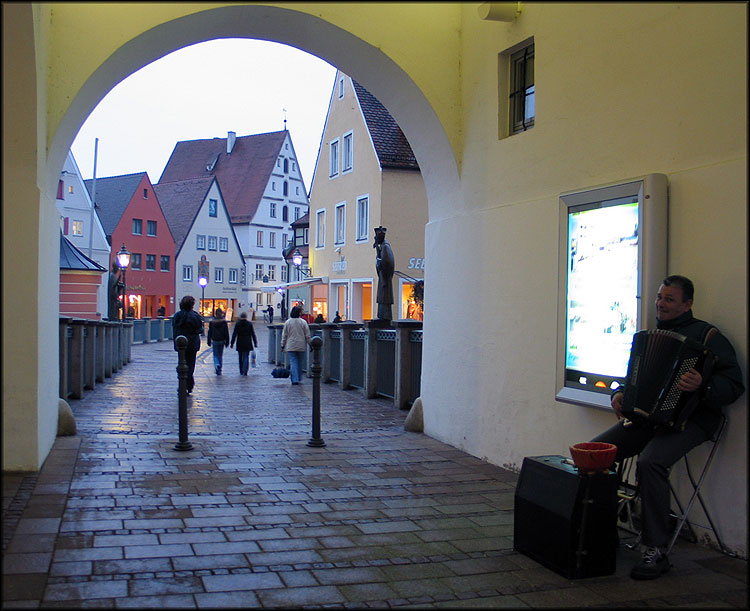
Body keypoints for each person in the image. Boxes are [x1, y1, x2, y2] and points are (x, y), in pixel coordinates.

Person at [592, 275, 744, 580]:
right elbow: (632, 378)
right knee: (597, 453)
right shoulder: (649, 335)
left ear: (688, 304)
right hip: (650, 419)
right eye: (660, 297)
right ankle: (596, 531)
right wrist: (619, 394)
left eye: (669, 299)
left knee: (650, 462)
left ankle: (656, 550)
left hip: (694, 420)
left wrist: (704, 385)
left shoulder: (709, 336)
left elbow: (734, 384)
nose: (661, 304)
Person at [172, 295, 203, 394]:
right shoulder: (195, 316)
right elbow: (199, 330)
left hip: (180, 344)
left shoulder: (177, 316)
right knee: (190, 365)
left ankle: (182, 385)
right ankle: (188, 385)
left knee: (181, 363)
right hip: (192, 344)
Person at [281, 305, 311, 385]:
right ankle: (298, 377)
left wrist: (282, 345)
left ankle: (295, 379)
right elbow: (307, 335)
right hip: (301, 345)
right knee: (300, 362)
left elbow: (284, 335)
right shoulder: (303, 322)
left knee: (293, 361)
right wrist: (310, 344)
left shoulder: (288, 322)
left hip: (291, 345)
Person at [374, 226, 394, 321]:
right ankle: (382, 316)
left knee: (384, 298)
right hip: (383, 278)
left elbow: (387, 263)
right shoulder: (382, 247)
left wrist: (380, 263)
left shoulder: (385, 247)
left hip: (385, 279)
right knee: (382, 298)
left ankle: (384, 317)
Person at [230, 311, 258, 376]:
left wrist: (232, 343)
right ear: (246, 317)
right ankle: (245, 370)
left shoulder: (238, 324)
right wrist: (255, 342)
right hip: (247, 341)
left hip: (240, 341)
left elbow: (235, 334)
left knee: (240, 357)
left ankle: (241, 370)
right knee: (246, 356)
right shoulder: (249, 324)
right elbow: (253, 334)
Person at [207, 308, 230, 375]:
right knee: (220, 355)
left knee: (215, 354)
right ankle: (219, 367)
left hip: (215, 340)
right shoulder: (224, 322)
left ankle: (217, 364)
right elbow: (226, 332)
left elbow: (210, 332)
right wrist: (227, 341)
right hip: (222, 340)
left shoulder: (212, 322)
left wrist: (209, 340)